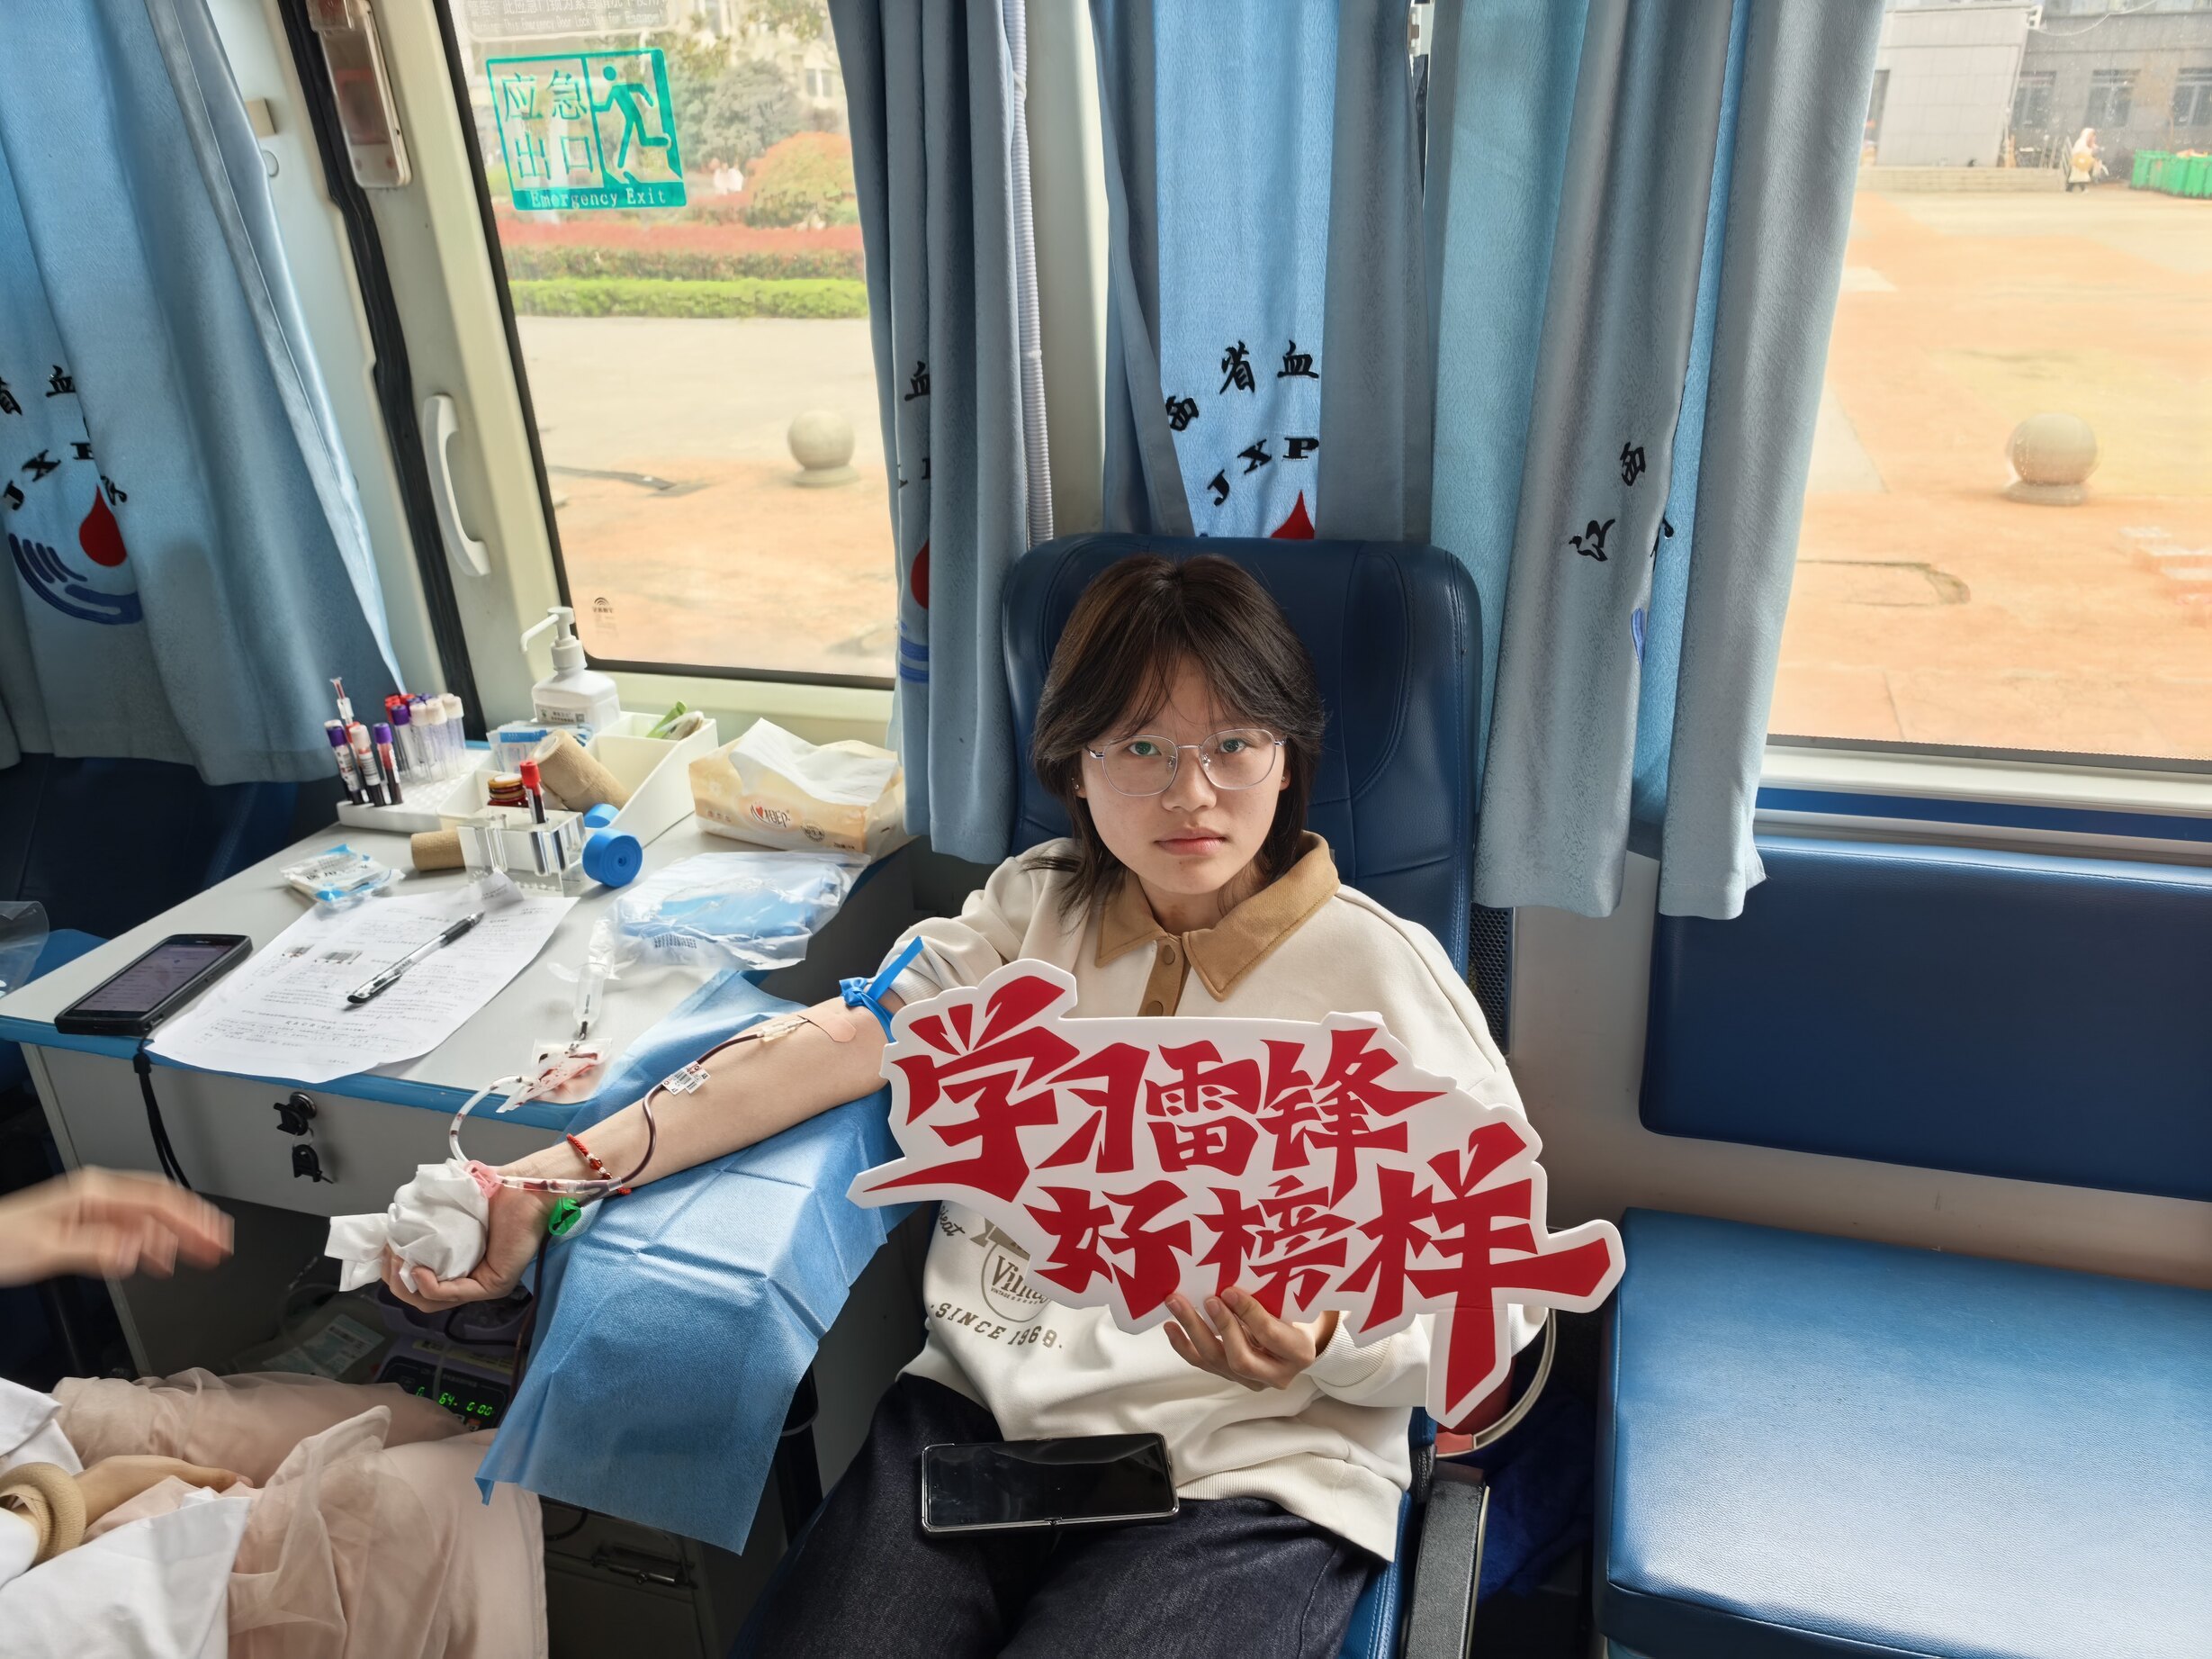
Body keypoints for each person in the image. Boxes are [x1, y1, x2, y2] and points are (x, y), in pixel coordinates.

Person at [388, 554, 1539, 1659]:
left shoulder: (1384, 978)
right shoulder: (1030, 915)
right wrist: (551, 1176)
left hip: (1250, 1469)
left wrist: (1334, 1344)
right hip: (980, 1426)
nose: (1191, 792)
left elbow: (1508, 1277)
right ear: (1074, 766)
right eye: (1140, 745)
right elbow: (836, 1041)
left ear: (1288, 758)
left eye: (1234, 743)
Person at [0, 1168, 544, 1654]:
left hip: (16, 1451)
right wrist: (60, 1507)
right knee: (469, 1491)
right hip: (49, 1605)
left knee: (414, 1421)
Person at [2066, 127, 2100, 192]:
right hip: (2079, 162)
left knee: (2077, 177)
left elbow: (2093, 150)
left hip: (2083, 163)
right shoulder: (2081, 142)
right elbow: (2076, 152)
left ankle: (2069, 189)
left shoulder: (2088, 143)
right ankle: (2082, 189)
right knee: (2079, 177)